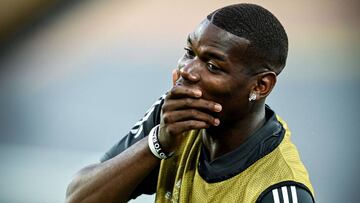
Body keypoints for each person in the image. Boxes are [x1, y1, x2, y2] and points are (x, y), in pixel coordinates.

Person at [66, 3, 315, 203]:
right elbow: (78, 197)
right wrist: (158, 143)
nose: (187, 71)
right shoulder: (174, 117)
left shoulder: (277, 191)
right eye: (189, 52)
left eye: (212, 66)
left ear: (260, 86)